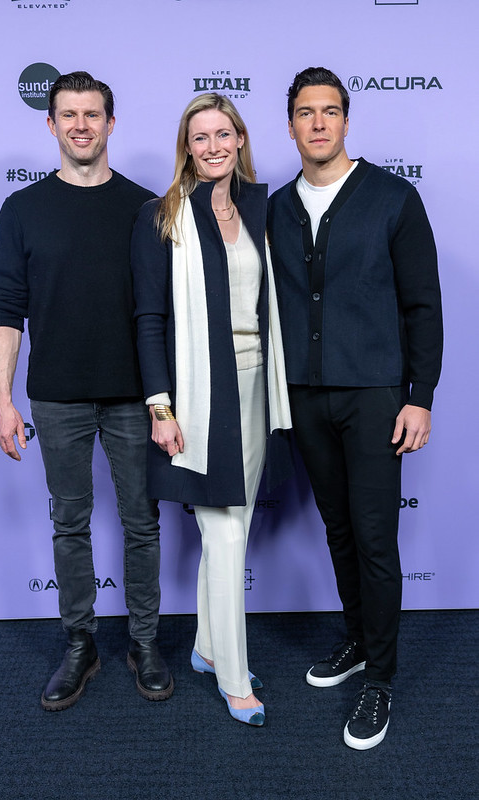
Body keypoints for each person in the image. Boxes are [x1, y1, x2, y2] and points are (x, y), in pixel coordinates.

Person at [267, 67, 443, 749]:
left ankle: (382, 680)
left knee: (374, 538)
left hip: (374, 398)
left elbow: (423, 306)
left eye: (330, 111)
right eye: (305, 112)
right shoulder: (277, 207)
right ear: (290, 125)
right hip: (306, 397)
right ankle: (358, 640)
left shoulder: (394, 198)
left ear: (346, 120)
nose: (318, 122)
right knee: (338, 529)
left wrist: (419, 398)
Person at [0, 71, 173, 711]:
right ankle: (80, 644)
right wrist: (2, 401)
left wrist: (165, 399)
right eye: (68, 115)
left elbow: (166, 311)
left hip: (133, 396)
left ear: (111, 124)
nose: (80, 125)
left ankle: (145, 641)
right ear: (51, 124)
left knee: (140, 524)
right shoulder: (23, 210)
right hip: (57, 398)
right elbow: (6, 310)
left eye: (92, 114)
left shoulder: (148, 208)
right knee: (69, 523)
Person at [131, 93, 291, 726]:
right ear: (186, 147)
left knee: (234, 525)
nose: (214, 146)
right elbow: (148, 319)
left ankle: (203, 646)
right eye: (201, 137)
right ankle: (233, 677)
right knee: (224, 531)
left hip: (257, 384)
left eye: (224, 134)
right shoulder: (162, 214)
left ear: (241, 139)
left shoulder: (259, 206)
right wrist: (160, 407)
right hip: (199, 392)